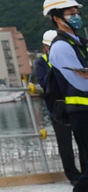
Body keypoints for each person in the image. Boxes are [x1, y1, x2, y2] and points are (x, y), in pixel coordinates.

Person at [44, 0, 88, 191]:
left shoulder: (80, 41)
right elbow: (82, 80)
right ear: (57, 18)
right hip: (81, 111)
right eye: (71, 13)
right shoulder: (61, 46)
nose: (76, 16)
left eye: (76, 12)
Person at [35, 29, 84, 185]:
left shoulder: (71, 55)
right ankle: (73, 176)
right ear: (45, 47)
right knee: (65, 143)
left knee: (83, 142)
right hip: (58, 108)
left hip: (77, 104)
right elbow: (44, 84)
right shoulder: (42, 62)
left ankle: (85, 175)